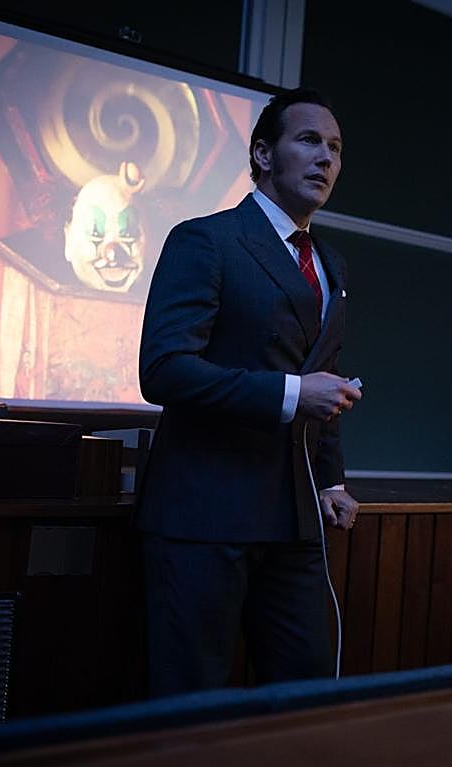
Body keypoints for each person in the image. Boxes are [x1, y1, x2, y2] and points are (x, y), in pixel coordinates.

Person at [136, 88, 362, 695]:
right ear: (263, 154)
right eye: (309, 141)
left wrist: (331, 479)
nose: (326, 158)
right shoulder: (205, 240)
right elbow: (163, 370)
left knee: (309, 696)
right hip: (205, 513)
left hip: (295, 517)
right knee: (191, 703)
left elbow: (324, 377)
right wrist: (290, 395)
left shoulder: (332, 264)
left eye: (336, 148)